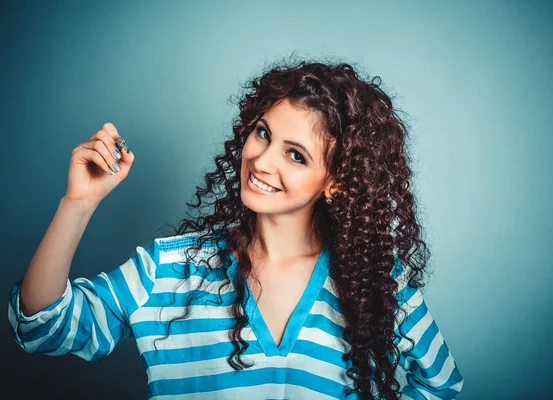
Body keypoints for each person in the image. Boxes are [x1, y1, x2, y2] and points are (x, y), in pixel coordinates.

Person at [8, 58, 464, 399]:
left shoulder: (375, 281)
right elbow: (42, 327)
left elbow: (441, 384)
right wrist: (78, 203)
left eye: (296, 154)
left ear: (336, 183)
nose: (261, 161)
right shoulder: (169, 268)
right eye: (263, 133)